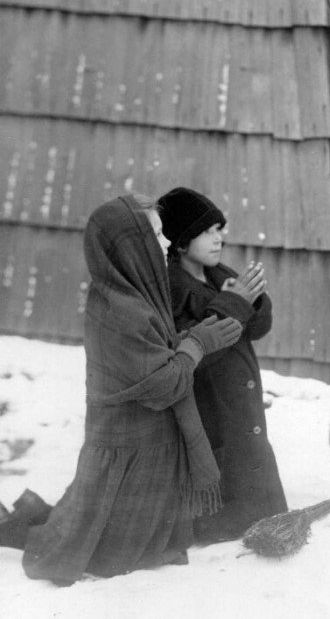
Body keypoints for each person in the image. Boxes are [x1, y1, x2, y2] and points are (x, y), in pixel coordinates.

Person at [0, 194, 241, 585]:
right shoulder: (123, 310)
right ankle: (18, 527)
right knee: (105, 559)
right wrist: (197, 342)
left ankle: (34, 522)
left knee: (134, 547)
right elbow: (163, 385)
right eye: (159, 235)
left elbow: (157, 351)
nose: (166, 244)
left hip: (146, 451)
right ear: (132, 246)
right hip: (130, 455)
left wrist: (191, 338)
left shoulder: (136, 294)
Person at [157, 187, 287, 544]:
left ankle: (252, 514)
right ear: (181, 242)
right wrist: (235, 301)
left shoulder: (217, 275)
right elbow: (194, 349)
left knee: (249, 474)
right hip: (208, 407)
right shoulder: (171, 290)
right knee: (223, 490)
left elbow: (257, 329)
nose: (220, 238)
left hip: (238, 404)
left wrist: (253, 301)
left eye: (220, 229)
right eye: (208, 231)